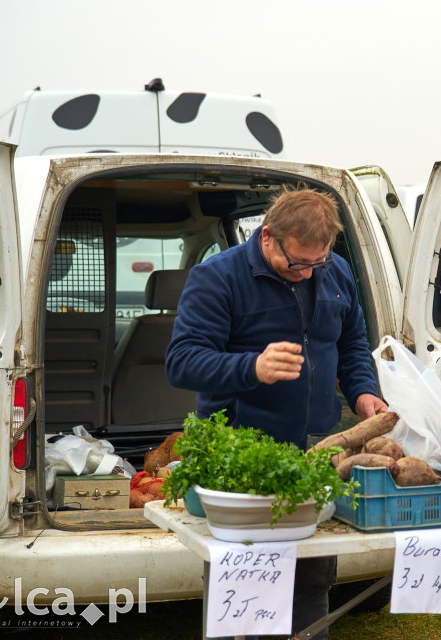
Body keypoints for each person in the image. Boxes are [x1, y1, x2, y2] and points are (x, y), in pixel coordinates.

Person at [165, 188, 387, 640]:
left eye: (318, 262)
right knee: (245, 584)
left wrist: (364, 393)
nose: (308, 273)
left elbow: (351, 345)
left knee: (312, 577)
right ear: (267, 236)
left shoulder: (335, 271)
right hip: (241, 458)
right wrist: (252, 367)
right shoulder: (218, 277)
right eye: (298, 263)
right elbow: (182, 361)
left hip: (316, 453)